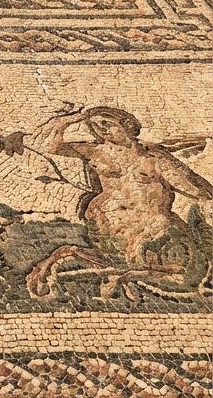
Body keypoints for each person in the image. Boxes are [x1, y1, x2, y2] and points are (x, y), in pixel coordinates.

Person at [26, 107, 213, 298]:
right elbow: (50, 146)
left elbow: (196, 190)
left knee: (178, 272)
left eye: (108, 124)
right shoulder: (96, 152)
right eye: (96, 126)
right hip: (111, 231)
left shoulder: (153, 160)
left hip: (152, 232)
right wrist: (74, 118)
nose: (102, 129)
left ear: (128, 127)